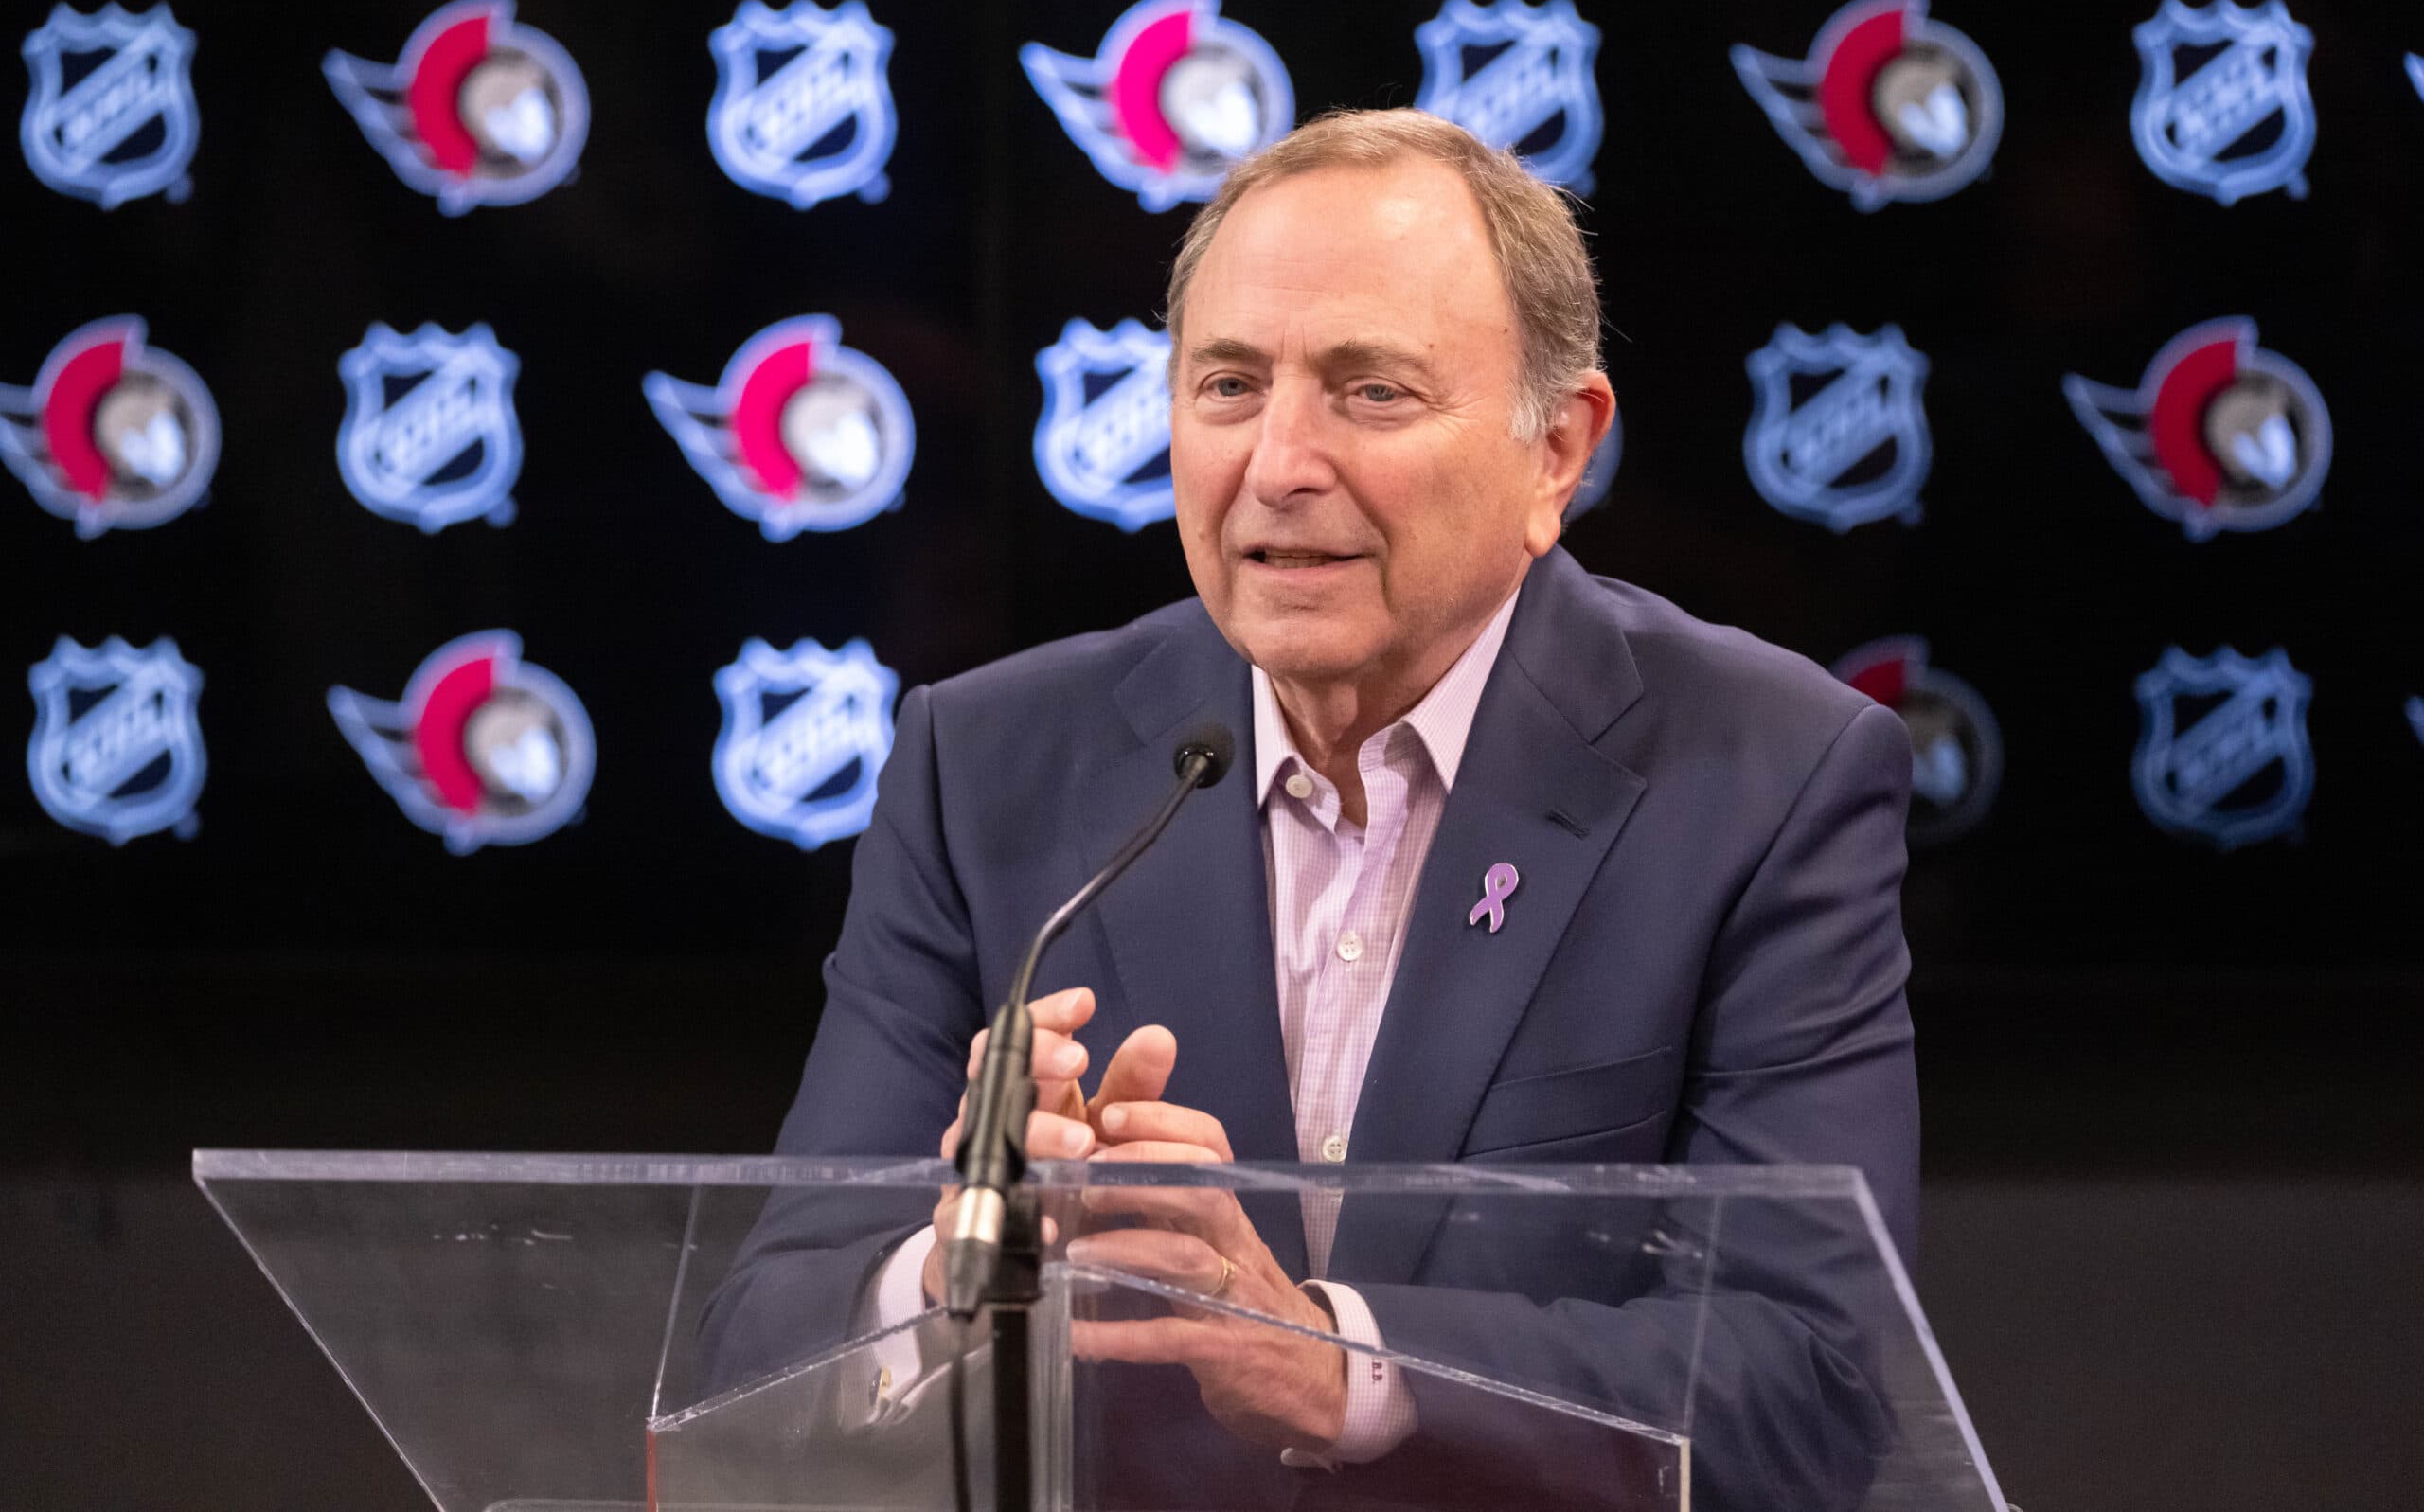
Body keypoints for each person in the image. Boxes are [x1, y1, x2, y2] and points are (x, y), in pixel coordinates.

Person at [700, 108, 1918, 1506]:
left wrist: (1340, 1363)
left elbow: (1809, 1381)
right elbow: (761, 1353)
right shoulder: (982, 768)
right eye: (1227, 386)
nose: (1277, 463)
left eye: (1371, 392)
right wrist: (965, 1257)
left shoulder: (1771, 779)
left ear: (1557, 454)